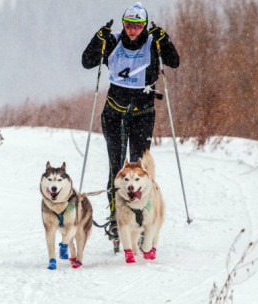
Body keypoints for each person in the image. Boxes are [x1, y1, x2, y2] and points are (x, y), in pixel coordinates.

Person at [81, 2, 179, 252]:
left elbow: (174, 61)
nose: (132, 30)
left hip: (143, 113)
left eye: (137, 25)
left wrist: (164, 39)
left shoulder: (152, 41)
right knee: (118, 168)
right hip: (114, 112)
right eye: (128, 25)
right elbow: (87, 61)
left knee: (138, 167)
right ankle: (118, 221)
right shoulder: (112, 41)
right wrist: (97, 38)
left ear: (144, 25)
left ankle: (142, 218)